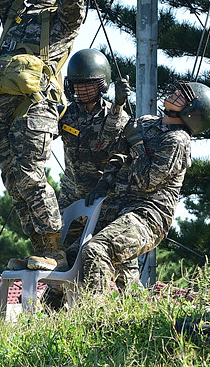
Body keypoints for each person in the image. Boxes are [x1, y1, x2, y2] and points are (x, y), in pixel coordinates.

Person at [0, 0, 88, 272]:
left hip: (36, 108)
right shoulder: (15, 12)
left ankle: (55, 251)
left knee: (31, 173)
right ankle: (39, 247)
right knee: (14, 181)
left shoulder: (61, 21)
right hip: (1, 107)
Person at [79, 81, 210, 295]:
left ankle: (96, 319)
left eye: (183, 95)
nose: (175, 92)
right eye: (177, 90)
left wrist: (136, 142)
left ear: (192, 111)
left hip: (147, 217)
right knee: (70, 258)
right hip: (116, 211)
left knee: (96, 251)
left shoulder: (177, 141)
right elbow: (118, 155)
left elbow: (147, 182)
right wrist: (103, 183)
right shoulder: (145, 122)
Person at [58, 48, 131, 261]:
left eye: (88, 85)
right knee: (60, 258)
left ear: (101, 85)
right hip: (71, 196)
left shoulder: (115, 114)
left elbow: (110, 141)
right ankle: (53, 295)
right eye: (77, 85)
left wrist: (118, 105)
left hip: (104, 200)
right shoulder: (66, 114)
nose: (82, 90)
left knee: (109, 257)